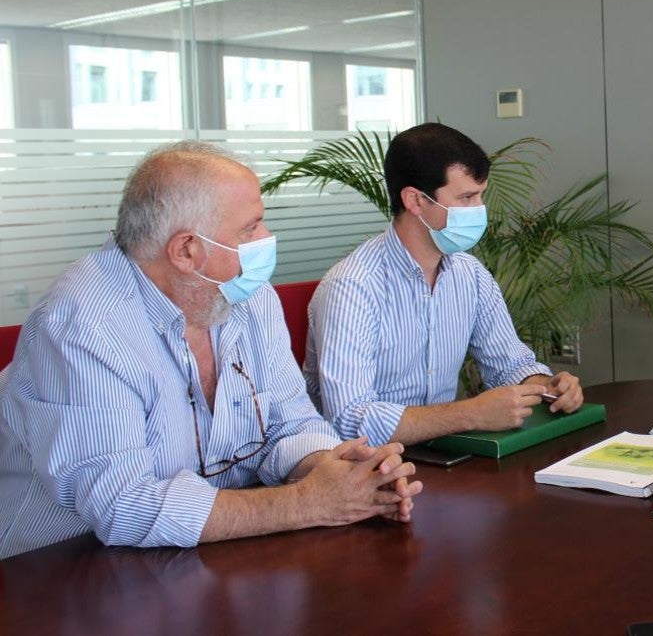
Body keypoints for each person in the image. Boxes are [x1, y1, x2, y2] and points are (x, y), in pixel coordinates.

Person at [0, 142, 421, 560]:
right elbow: (123, 504)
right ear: (186, 250)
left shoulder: (248, 299)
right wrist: (307, 503)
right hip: (58, 573)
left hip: (204, 558)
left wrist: (340, 470)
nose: (267, 238)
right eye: (251, 228)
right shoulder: (83, 327)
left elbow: (289, 421)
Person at [305, 123, 584, 447]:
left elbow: (510, 364)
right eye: (466, 197)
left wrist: (549, 386)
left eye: (481, 195)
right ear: (415, 200)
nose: (479, 210)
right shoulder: (352, 287)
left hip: (443, 456)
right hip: (364, 471)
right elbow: (351, 419)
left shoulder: (469, 274)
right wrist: (470, 414)